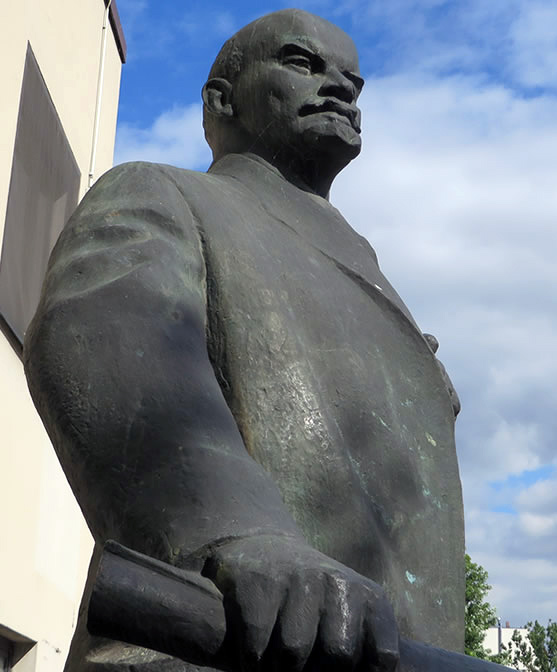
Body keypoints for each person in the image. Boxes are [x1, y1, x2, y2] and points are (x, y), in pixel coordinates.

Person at [24, 9, 464, 672]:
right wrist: (237, 534)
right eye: (302, 62)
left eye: (354, 81)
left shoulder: (373, 278)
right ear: (221, 98)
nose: (341, 89)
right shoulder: (165, 196)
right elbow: (106, 336)